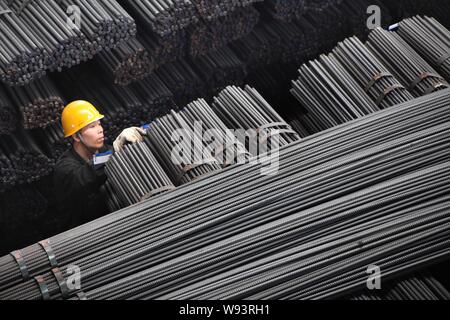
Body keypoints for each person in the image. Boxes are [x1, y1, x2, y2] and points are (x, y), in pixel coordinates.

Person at [53, 100, 146, 229]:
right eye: (92, 126)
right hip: (83, 233)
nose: (100, 130)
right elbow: (84, 177)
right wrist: (116, 150)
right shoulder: (64, 168)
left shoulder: (104, 150)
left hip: (113, 223)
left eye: (99, 124)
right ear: (76, 136)